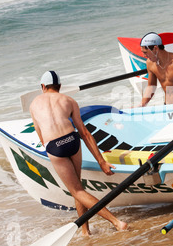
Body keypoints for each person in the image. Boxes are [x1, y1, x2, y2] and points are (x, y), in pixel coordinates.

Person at [29, 71, 128, 236]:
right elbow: (84, 133)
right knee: (79, 187)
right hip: (72, 140)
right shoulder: (69, 100)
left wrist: (52, 152)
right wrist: (101, 161)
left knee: (77, 191)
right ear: (60, 86)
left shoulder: (34, 104)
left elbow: (41, 136)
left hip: (55, 146)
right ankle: (85, 230)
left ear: (42, 87)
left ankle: (117, 222)